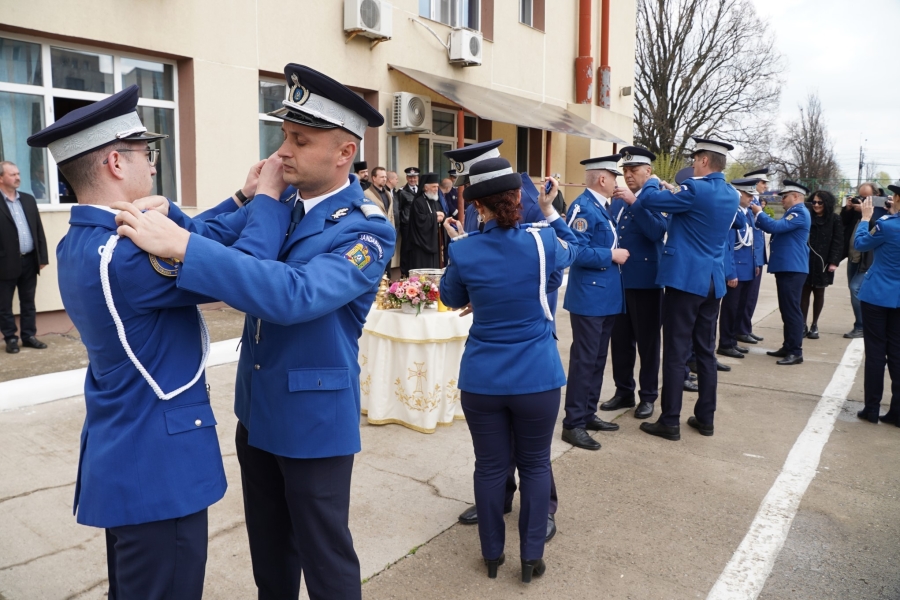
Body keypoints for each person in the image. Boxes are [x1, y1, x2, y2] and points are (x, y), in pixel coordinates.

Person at [115, 64, 394, 600]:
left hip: (315, 424)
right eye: (284, 135)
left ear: (344, 153)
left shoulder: (365, 226)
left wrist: (186, 244)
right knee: (270, 553)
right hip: (259, 409)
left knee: (326, 559)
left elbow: (294, 294)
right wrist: (204, 211)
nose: (281, 151)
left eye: (300, 139)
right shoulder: (281, 202)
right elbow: (214, 244)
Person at [27, 84, 288, 600]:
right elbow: (243, 270)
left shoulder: (83, 240)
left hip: (126, 453)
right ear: (115, 163)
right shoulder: (126, 255)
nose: (152, 164)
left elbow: (193, 245)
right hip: (158, 473)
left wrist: (240, 199)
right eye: (145, 153)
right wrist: (270, 199)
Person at [439, 157, 578, 584]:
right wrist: (550, 207)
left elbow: (449, 297)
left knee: (489, 467)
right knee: (536, 465)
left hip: (483, 377)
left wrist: (465, 251)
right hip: (536, 376)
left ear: (476, 206)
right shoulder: (541, 242)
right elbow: (572, 248)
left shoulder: (463, 248)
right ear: (518, 198)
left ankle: (492, 555)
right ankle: (532, 556)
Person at [639, 137, 740, 441]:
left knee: (676, 350)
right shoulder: (731, 194)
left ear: (705, 161)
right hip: (713, 281)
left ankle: (670, 420)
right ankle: (705, 417)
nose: (693, 164)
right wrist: (675, 191)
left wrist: (653, 182)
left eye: (695, 159)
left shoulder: (695, 189)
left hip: (686, 281)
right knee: (705, 351)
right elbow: (695, 211)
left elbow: (648, 201)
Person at [561, 154, 628, 450]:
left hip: (605, 294)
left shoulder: (602, 206)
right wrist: (610, 255)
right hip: (589, 296)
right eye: (615, 176)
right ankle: (573, 423)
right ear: (603, 179)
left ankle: (588, 412)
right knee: (584, 360)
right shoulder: (583, 206)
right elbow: (572, 251)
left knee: (598, 359)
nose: (617, 182)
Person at [603, 146, 669, 420]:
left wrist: (634, 202)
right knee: (620, 341)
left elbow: (657, 231)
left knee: (648, 343)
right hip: (620, 280)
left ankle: (649, 396)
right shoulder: (619, 199)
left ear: (648, 171)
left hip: (647, 282)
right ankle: (623, 390)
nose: (628, 175)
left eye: (633, 170)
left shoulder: (657, 197)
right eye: (625, 171)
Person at [751, 180, 811, 366]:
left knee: (792, 310)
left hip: (792, 268)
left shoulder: (799, 212)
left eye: (784, 197)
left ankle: (795, 351)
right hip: (788, 267)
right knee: (787, 309)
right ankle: (788, 346)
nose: (782, 200)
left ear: (796, 196)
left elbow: (776, 228)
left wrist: (759, 213)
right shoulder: (793, 212)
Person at [854, 189, 900, 424]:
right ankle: (897, 412)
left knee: (875, 352)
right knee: (897, 353)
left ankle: (871, 408)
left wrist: (865, 218)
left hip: (877, 295)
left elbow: (861, 244)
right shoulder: (889, 222)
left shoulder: (887, 225)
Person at [0, 161, 49, 354]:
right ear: (1, 178)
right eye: (12, 174)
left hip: (29, 260)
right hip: (4, 262)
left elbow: (38, 229)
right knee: (4, 304)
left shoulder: (28, 200)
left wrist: (42, 257)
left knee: (28, 302)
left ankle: (28, 336)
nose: (17, 177)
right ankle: (10, 338)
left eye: (18, 173)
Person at [717, 178, 760, 359]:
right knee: (730, 309)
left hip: (747, 268)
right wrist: (731, 272)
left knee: (740, 308)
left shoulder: (746, 212)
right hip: (736, 270)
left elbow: (753, 240)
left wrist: (755, 263)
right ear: (738, 194)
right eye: (748, 194)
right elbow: (728, 246)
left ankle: (733, 340)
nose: (751, 198)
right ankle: (725, 343)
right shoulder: (732, 213)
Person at [840, 182, 882, 339]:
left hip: (869, 260)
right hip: (854, 257)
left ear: (876, 197)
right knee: (855, 291)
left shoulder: (882, 210)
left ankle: (862, 325)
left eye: (866, 197)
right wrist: (849, 209)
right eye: (860, 197)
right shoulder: (858, 211)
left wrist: (866, 215)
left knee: (855, 288)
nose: (862, 201)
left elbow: (876, 229)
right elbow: (842, 223)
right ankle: (861, 324)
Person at [802, 190, 843, 339]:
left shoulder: (835, 219)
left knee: (819, 292)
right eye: (814, 202)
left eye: (820, 202)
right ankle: (802, 324)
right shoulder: (807, 216)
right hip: (806, 260)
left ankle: (814, 324)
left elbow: (838, 241)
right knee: (804, 292)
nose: (817, 205)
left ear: (827, 204)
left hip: (823, 262)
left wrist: (834, 261)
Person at [736, 168, 770, 345]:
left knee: (751, 297)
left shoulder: (755, 203)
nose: (765, 185)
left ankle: (745, 327)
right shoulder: (748, 204)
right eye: (763, 182)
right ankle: (741, 329)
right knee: (744, 298)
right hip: (748, 257)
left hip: (755, 256)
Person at [407, 172, 445, 269]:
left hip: (434, 241)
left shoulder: (435, 201)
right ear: (425, 187)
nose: (436, 189)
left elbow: (441, 215)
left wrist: (442, 217)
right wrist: (434, 216)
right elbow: (419, 221)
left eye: (437, 187)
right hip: (421, 245)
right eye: (433, 187)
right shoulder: (418, 202)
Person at [398, 166, 420, 275]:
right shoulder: (402, 192)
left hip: (418, 225)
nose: (412, 180)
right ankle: (404, 273)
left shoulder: (421, 190)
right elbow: (399, 209)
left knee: (416, 249)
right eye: (410, 177)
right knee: (406, 249)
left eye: (414, 177)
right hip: (406, 225)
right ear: (407, 178)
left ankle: (415, 271)